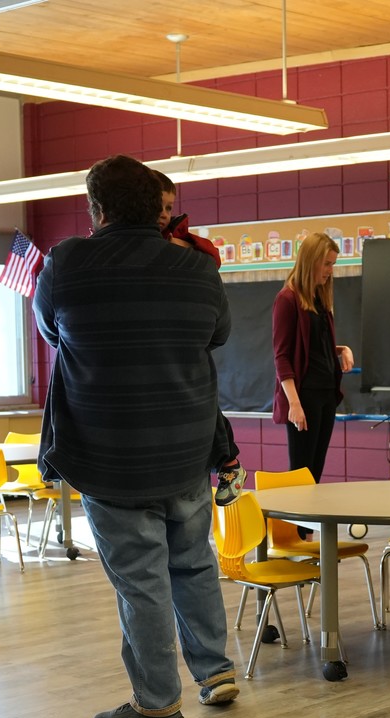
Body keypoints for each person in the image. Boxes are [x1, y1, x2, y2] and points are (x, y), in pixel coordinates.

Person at [34, 154, 238, 718]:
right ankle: (216, 673)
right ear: (159, 210)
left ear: (97, 210)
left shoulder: (66, 265)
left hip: (109, 457)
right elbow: (217, 334)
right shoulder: (197, 270)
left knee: (141, 580)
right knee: (195, 564)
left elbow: (51, 330)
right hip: (188, 448)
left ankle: (157, 703)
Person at [153, 170, 246, 507]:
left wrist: (177, 248)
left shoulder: (182, 242)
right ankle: (228, 462)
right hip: (168, 353)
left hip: (184, 351)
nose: (164, 213)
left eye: (169, 206)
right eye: (158, 205)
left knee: (203, 402)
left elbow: (211, 257)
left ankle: (229, 464)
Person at [272, 233, 354, 493]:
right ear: (311, 262)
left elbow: (316, 345)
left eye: (333, 264)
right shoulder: (287, 299)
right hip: (304, 397)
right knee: (301, 472)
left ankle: (307, 535)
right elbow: (281, 355)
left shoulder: (319, 298)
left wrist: (343, 349)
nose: (330, 271)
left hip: (326, 393)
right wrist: (294, 405)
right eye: (327, 264)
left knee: (315, 470)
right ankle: (298, 533)